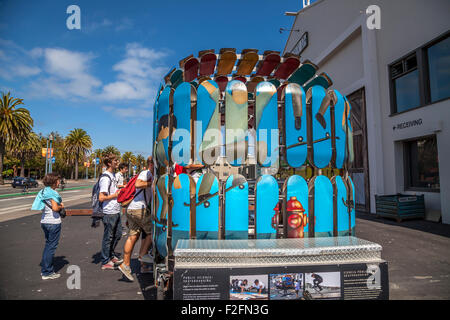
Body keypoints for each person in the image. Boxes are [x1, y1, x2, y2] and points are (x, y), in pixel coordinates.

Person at [118, 156, 154, 281]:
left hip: (131, 208)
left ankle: (125, 265)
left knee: (133, 236)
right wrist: (152, 183)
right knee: (151, 232)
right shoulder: (146, 173)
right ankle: (143, 255)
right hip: (139, 209)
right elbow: (138, 184)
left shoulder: (146, 173)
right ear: (152, 164)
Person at [31, 173, 65, 280]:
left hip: (44, 221)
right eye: (58, 180)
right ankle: (47, 272)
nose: (59, 182)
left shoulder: (43, 192)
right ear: (54, 182)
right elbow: (55, 208)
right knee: (51, 247)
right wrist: (61, 206)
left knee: (48, 246)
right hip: (53, 222)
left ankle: (45, 270)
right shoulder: (52, 192)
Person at [99, 154, 123, 270]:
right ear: (109, 163)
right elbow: (101, 197)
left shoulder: (113, 175)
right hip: (109, 212)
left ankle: (111, 255)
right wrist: (115, 195)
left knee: (118, 234)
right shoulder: (105, 177)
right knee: (108, 237)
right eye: (115, 160)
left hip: (116, 210)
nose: (117, 162)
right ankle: (105, 260)